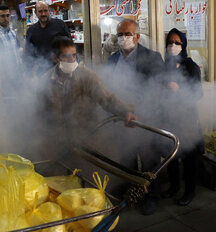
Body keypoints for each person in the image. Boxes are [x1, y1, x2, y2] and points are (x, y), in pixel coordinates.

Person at [37, 36, 137, 160]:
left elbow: (107, 99)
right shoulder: (46, 80)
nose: (72, 60)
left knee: (88, 175)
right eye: (66, 56)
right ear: (55, 58)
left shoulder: (87, 76)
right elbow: (41, 114)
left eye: (74, 56)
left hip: (86, 138)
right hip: (58, 143)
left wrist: (126, 111)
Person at [107, 19, 165, 215]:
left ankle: (151, 197)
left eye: (128, 34)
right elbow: (109, 90)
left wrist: (141, 112)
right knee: (127, 160)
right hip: (122, 121)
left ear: (137, 36)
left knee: (150, 162)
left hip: (145, 120)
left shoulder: (152, 58)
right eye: (120, 34)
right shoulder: (113, 59)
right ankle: (132, 194)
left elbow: (158, 91)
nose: (124, 38)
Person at [160, 28, 205, 206]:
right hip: (168, 118)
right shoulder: (164, 66)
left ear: (184, 45)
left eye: (177, 43)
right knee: (171, 156)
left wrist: (180, 90)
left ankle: (189, 191)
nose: (173, 46)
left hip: (187, 120)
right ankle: (173, 187)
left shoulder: (191, 66)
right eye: (170, 42)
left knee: (189, 158)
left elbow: (197, 94)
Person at [25, 1, 71, 77]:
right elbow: (29, 54)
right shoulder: (31, 31)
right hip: (43, 72)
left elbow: (70, 46)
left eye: (45, 10)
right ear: (36, 13)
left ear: (49, 11)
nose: (43, 14)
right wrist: (29, 74)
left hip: (61, 69)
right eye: (40, 11)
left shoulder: (60, 24)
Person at [0, 5, 23, 97]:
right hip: (4, 77)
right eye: (3, 16)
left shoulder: (12, 31)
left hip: (17, 75)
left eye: (8, 16)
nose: (6, 18)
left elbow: (17, 50)